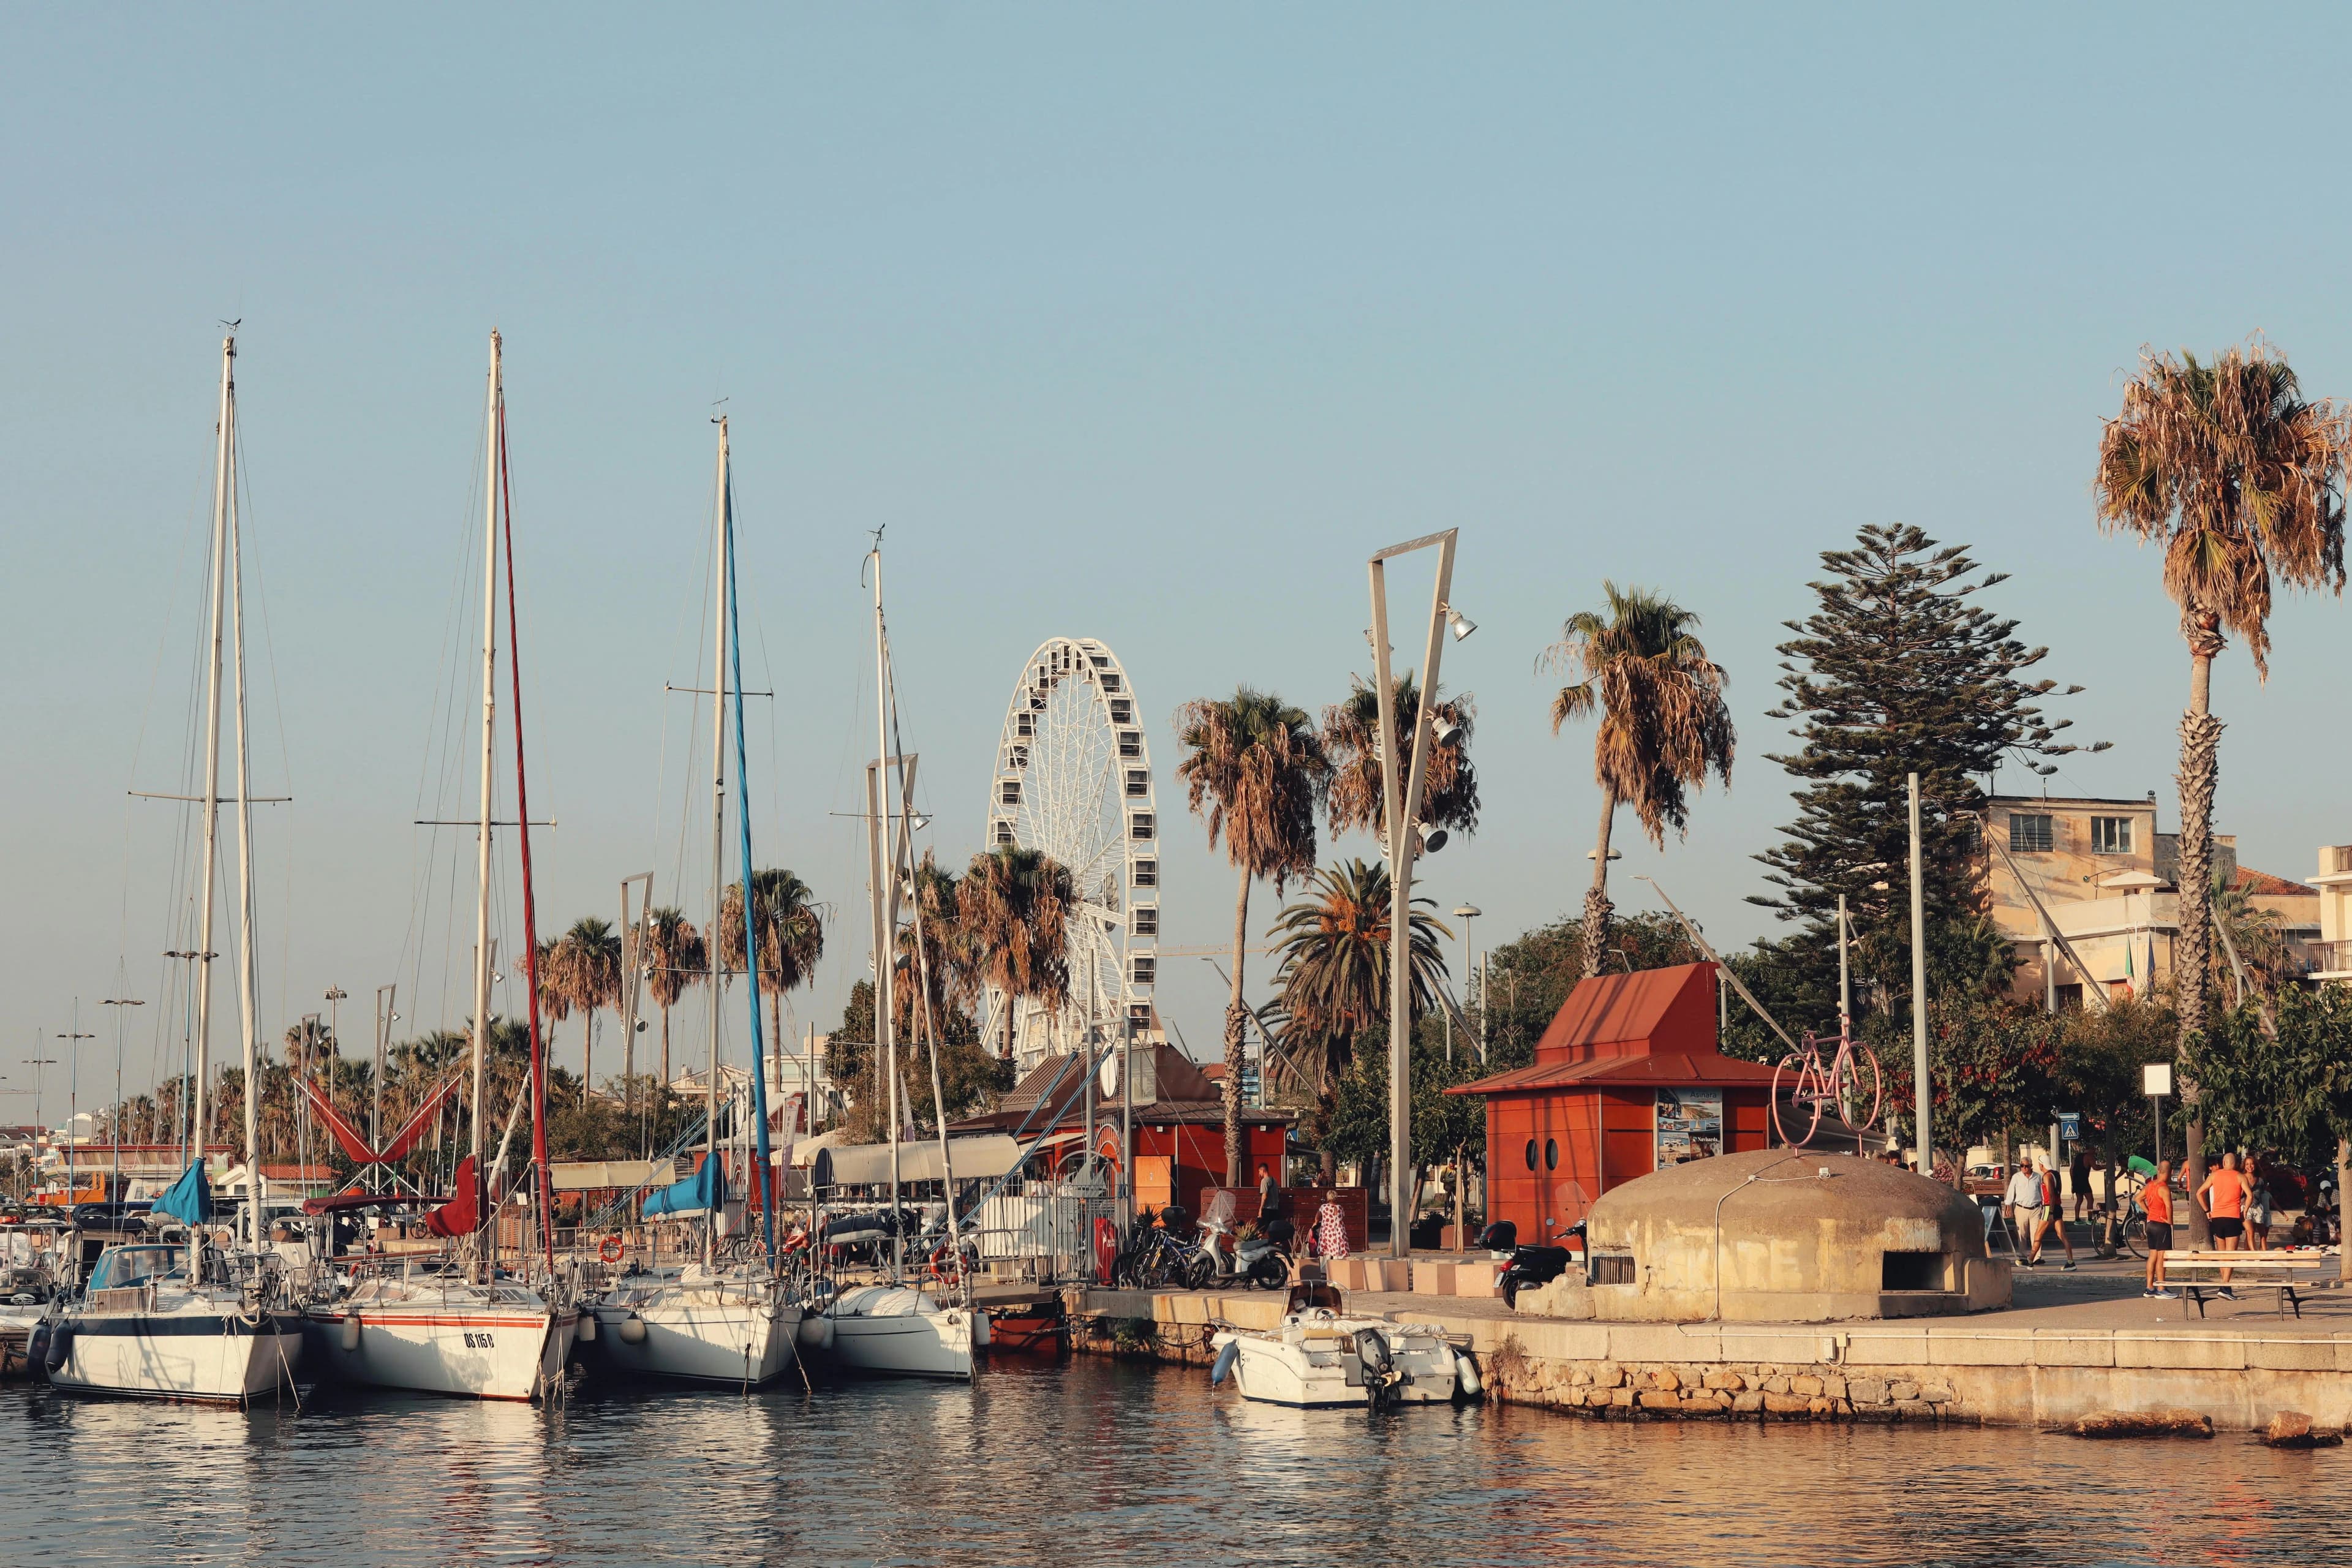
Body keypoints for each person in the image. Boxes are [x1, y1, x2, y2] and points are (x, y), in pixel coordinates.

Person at [2198, 1152, 2250, 1298]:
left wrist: (2207, 1211)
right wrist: (2244, 1211)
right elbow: (2250, 1195)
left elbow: (2199, 1193)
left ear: (2224, 1162)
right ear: (2235, 1163)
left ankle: (2225, 1286)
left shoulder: (2214, 1175)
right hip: (2232, 1217)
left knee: (2222, 1255)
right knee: (2231, 1255)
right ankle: (2225, 1286)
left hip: (2217, 1217)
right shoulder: (2240, 1177)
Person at [2028, 1157, 2076, 1269]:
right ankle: (2071, 1262)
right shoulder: (2056, 1174)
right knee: (2062, 1235)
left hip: (2049, 1208)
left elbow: (2051, 1196)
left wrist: (2050, 1213)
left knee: (2038, 1235)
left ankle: (2030, 1260)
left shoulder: (2047, 1176)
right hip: (2058, 1207)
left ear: (2042, 1165)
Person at [2142, 1159, 2175, 1299]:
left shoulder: (2150, 1185)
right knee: (2161, 1256)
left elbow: (2138, 1198)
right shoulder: (2164, 1188)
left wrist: (2148, 1212)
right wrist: (2170, 1221)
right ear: (2170, 1172)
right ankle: (2161, 1288)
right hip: (2161, 1225)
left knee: (2153, 1255)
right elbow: (2169, 1206)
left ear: (2158, 1171)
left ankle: (2149, 1287)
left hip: (2151, 1224)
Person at [2003, 1162, 2045, 1266]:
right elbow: (2011, 1191)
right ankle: (2022, 1256)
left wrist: (2043, 1205)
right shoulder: (2016, 1177)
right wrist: (2008, 1205)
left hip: (2035, 1208)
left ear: (2031, 1166)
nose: (2024, 1168)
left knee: (2036, 1233)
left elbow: (2041, 1191)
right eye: (2022, 1166)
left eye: (2026, 1166)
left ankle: (2036, 1257)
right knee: (2022, 1233)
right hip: (2021, 1208)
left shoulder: (2037, 1177)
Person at [1313, 1190, 1349, 1261]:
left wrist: (1316, 1223)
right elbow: (1342, 1217)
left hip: (1328, 1231)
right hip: (1339, 1231)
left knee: (1327, 1252)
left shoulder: (1324, 1207)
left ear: (1328, 1197)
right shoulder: (1340, 1207)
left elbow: (1317, 1217)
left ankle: (1326, 1269)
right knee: (1339, 1250)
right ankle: (1339, 1266)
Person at [2248, 1174, 2274, 1250]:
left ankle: (2263, 1251)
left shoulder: (2266, 1194)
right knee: (2250, 1233)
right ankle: (2250, 1251)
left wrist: (2284, 1214)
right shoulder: (2244, 1179)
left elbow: (2274, 1204)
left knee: (2263, 1234)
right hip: (2249, 1208)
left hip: (2261, 1212)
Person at [2070, 1148, 2093, 1221]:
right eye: (2094, 1151)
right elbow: (2096, 1167)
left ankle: (2077, 1218)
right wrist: (2106, 1166)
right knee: (2090, 1200)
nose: (2095, 1153)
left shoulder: (2076, 1157)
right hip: (2084, 1181)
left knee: (2079, 1200)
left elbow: (2071, 1170)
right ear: (2090, 1150)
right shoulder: (2089, 1157)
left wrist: (2073, 1181)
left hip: (2076, 1181)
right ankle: (2090, 1219)